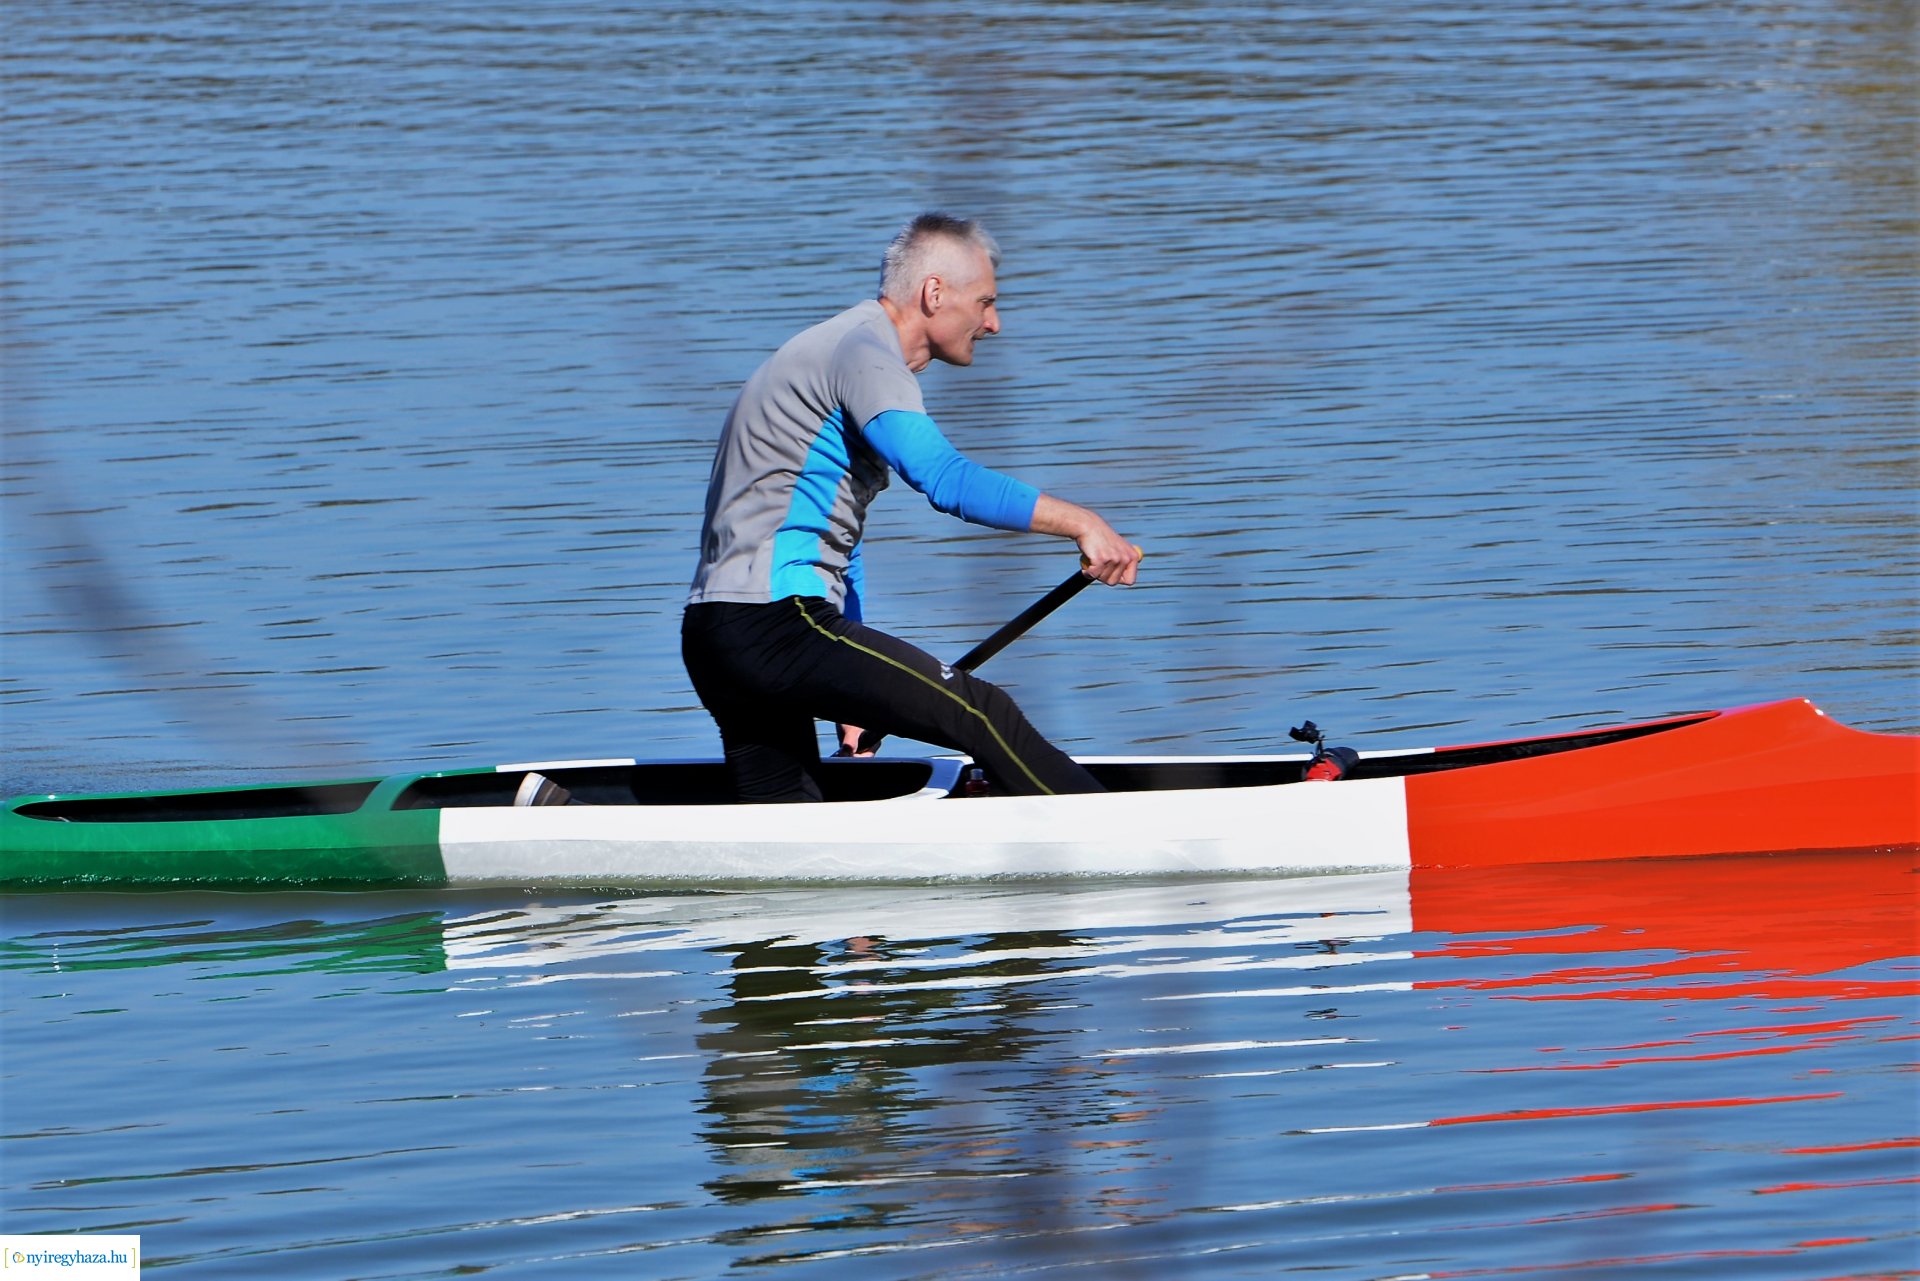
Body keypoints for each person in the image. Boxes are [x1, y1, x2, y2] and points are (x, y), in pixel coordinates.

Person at [682, 213, 1141, 802]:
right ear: (934, 293)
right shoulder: (864, 352)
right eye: (986, 302)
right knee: (982, 713)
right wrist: (1084, 524)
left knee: (790, 826)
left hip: (718, 635)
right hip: (778, 625)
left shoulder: (825, 347)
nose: (994, 324)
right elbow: (946, 479)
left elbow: (834, 537)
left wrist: (848, 678)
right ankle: (1117, 836)